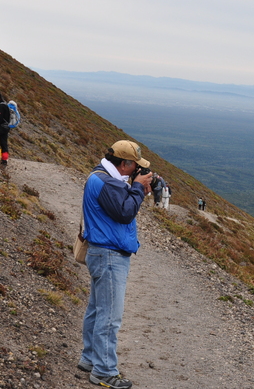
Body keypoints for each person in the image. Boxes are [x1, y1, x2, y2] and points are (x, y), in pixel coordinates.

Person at [78, 140, 153, 388]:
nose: (137, 171)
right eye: (135, 167)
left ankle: (90, 359)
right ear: (124, 164)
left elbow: (120, 207)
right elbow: (124, 213)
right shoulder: (107, 183)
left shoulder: (104, 178)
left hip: (103, 253)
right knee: (110, 317)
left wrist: (133, 188)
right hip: (109, 255)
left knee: (98, 309)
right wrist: (139, 189)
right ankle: (104, 371)